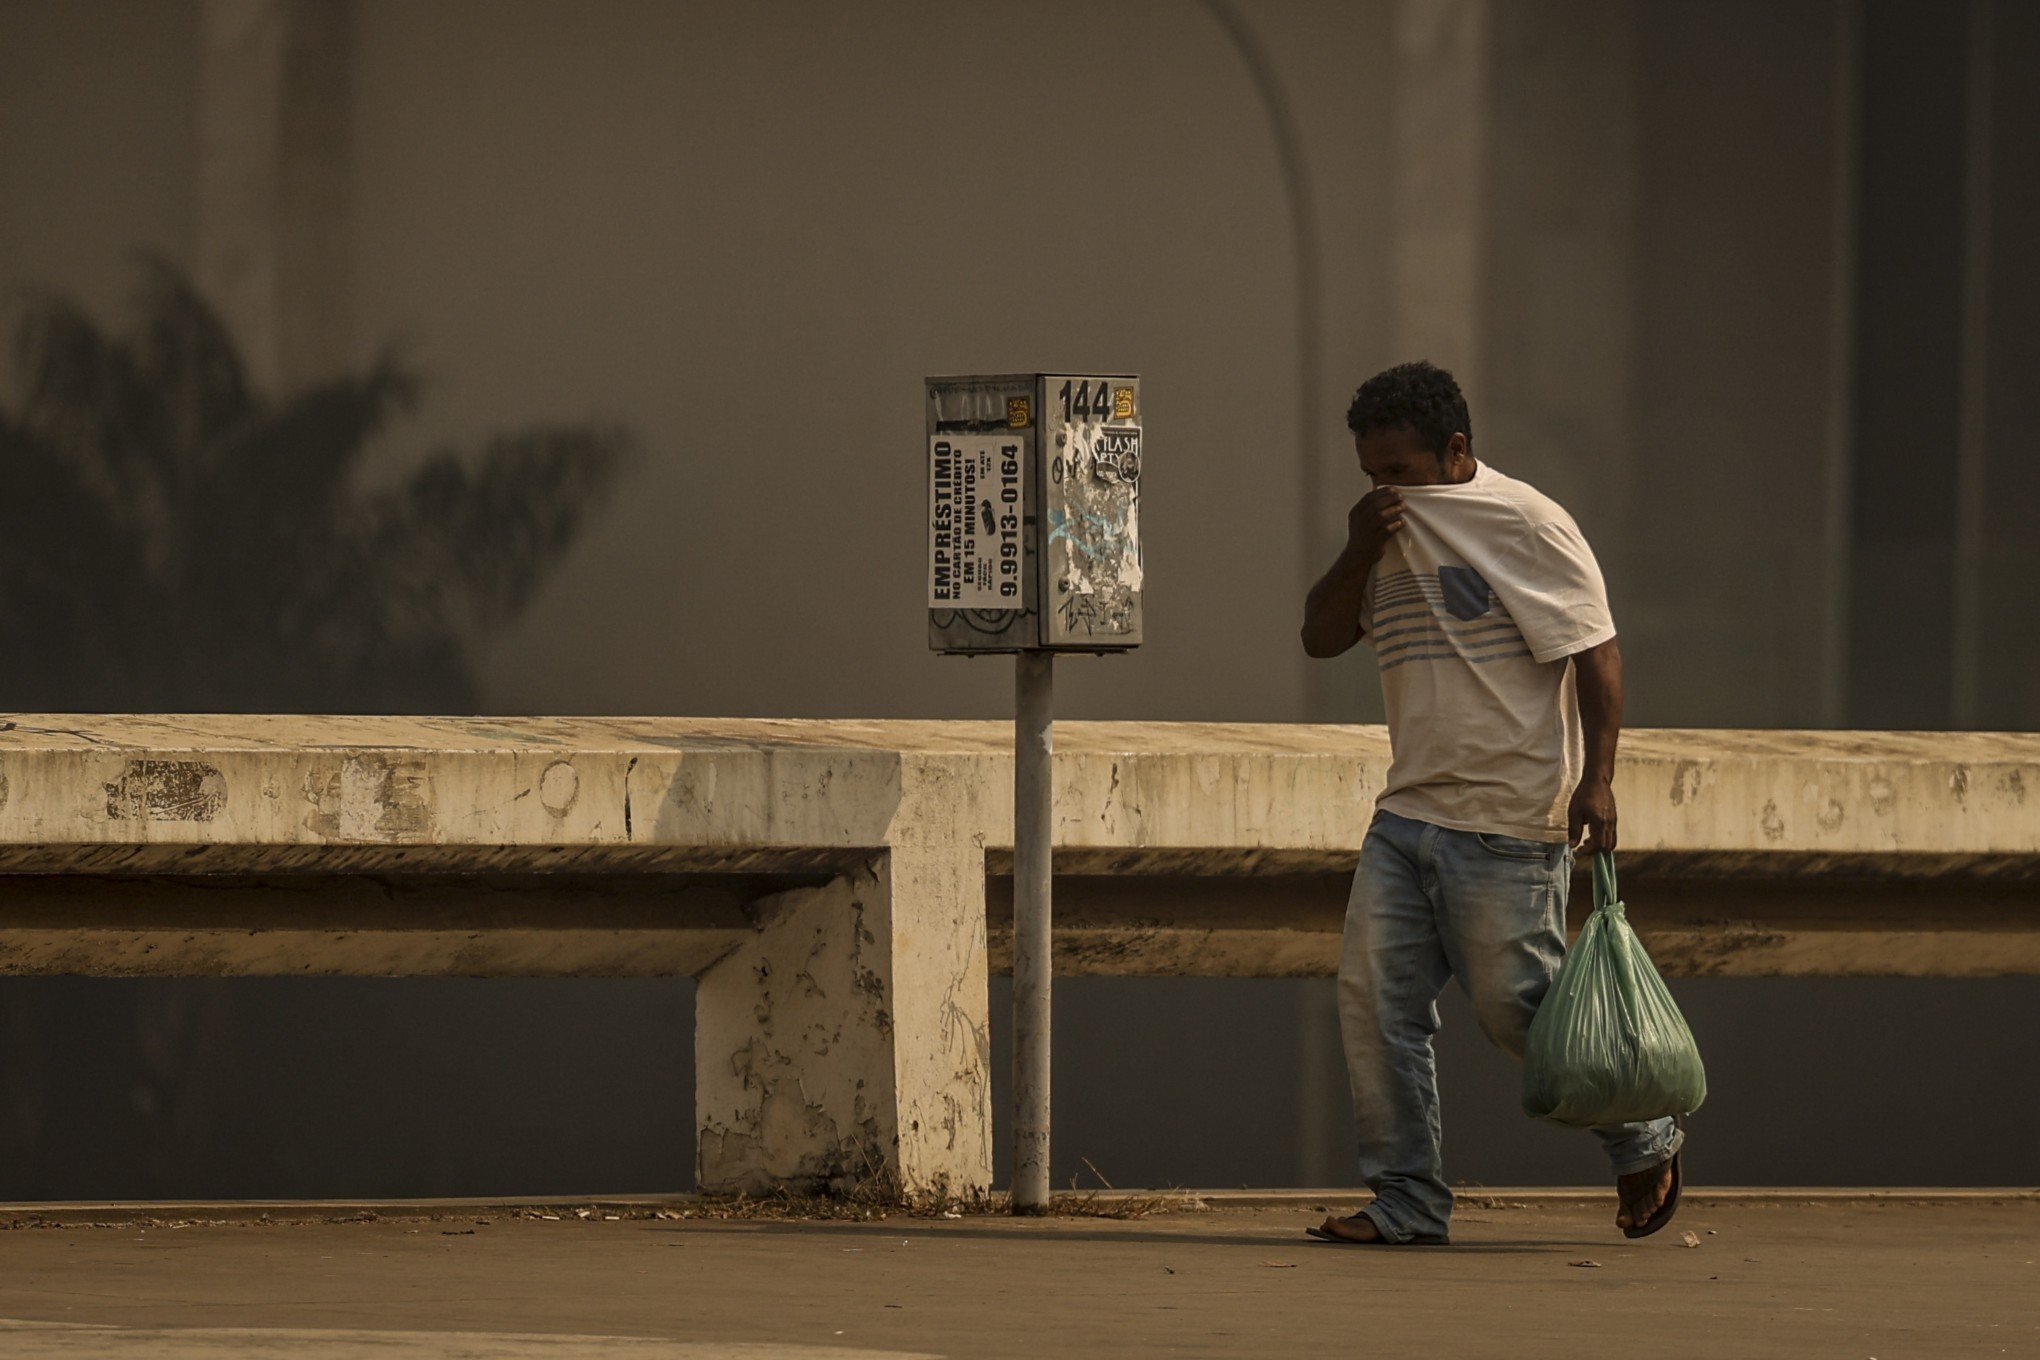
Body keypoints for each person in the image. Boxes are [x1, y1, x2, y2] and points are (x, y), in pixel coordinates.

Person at [1298, 361, 1682, 1246]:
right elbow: (1320, 638)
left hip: (1507, 817)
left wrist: (1598, 779)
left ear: (1456, 450)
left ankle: (1642, 1135)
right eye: (1371, 473)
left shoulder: (1527, 522)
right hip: (1406, 816)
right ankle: (1406, 1201)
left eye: (1400, 471)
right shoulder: (1383, 533)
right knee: (1374, 1004)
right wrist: (1360, 541)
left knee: (1519, 1010)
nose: (1386, 490)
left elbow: (1597, 651)